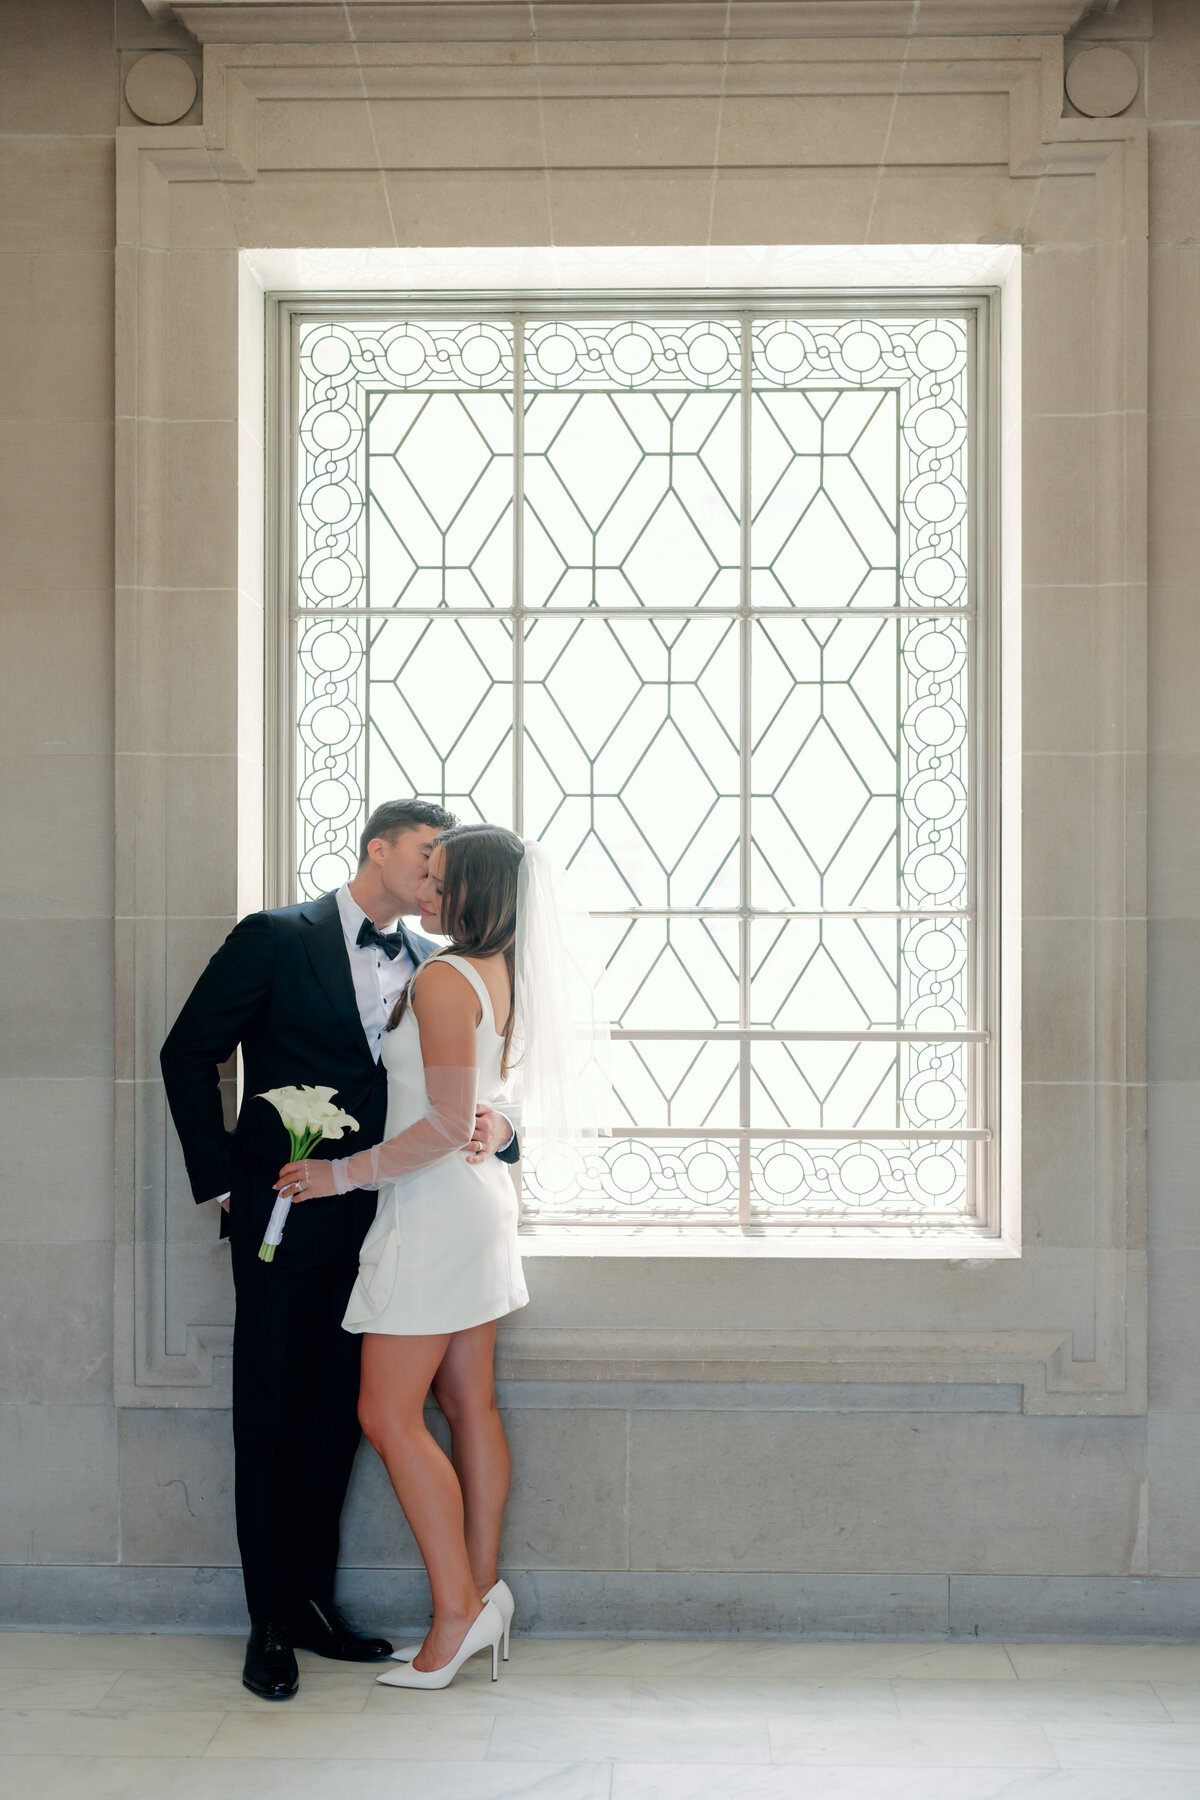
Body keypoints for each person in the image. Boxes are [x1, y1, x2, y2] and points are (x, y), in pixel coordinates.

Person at [159, 800, 519, 1701]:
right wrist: (228, 1186)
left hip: (389, 1219)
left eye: (448, 861)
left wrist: (502, 1125)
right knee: (274, 1417)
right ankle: (269, 1626)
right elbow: (188, 1051)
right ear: (379, 848)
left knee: (341, 1423)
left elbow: (464, 1089)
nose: (437, 872)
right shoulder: (276, 936)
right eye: (427, 853)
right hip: (287, 1220)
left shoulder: (437, 967)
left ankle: (315, 1605)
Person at [274, 824, 609, 1691]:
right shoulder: (499, 971)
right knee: (468, 1403)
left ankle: (457, 1613)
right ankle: (482, 1593)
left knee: (387, 1415)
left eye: (440, 877)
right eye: (425, 871)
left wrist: (336, 1173)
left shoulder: (446, 977)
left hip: (433, 1211)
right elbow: (489, 1108)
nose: (425, 888)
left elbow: (446, 1125)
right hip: (476, 1209)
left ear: (476, 892)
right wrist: (500, 1126)